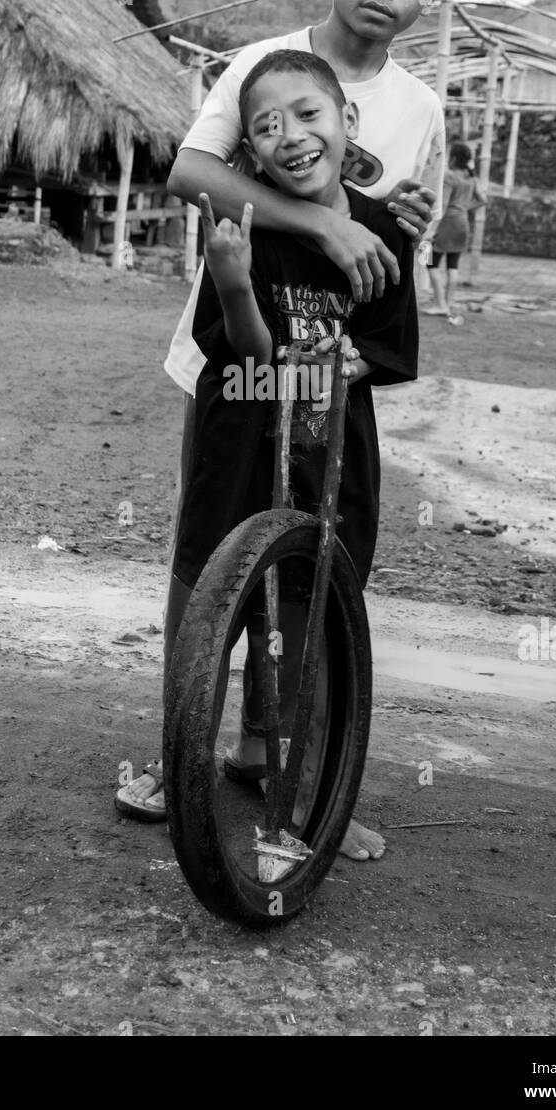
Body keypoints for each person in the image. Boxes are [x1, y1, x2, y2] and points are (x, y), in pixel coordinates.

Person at [117, 0, 448, 856]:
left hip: (329, 384)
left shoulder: (419, 105)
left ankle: (287, 767)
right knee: (209, 557)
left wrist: (401, 227)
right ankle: (178, 749)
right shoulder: (259, 66)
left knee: (311, 566)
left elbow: (395, 241)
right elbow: (192, 172)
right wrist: (326, 223)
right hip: (238, 355)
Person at [162, 49, 419, 860]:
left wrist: (351, 362)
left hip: (326, 458)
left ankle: (311, 801)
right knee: (206, 609)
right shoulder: (250, 226)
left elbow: (388, 346)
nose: (291, 137)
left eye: (309, 114)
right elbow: (243, 356)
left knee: (312, 635)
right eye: (266, 126)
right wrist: (233, 281)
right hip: (238, 450)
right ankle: (180, 770)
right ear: (247, 151)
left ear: (348, 121)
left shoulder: (382, 232)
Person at [424, 141, 486, 318]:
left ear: (454, 158)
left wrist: (430, 231)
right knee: (453, 265)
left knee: (430, 263)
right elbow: (483, 200)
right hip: (463, 223)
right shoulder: (471, 178)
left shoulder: (449, 176)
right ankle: (448, 304)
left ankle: (440, 304)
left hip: (446, 223)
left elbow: (441, 206)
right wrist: (464, 207)